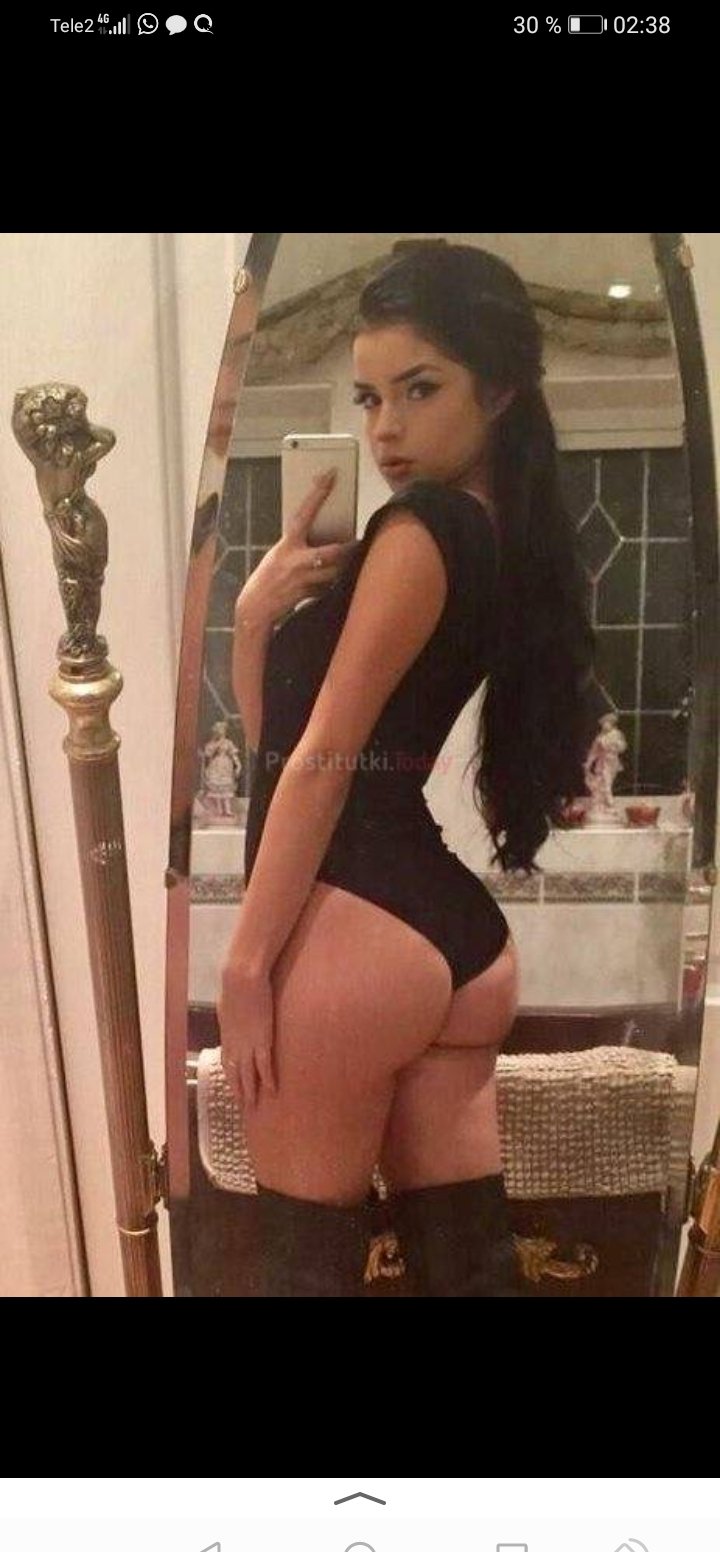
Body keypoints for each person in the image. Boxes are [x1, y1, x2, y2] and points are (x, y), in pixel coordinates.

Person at [218, 242, 596, 1297]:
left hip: (359, 933)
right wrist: (254, 620)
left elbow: (323, 763)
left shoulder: (421, 527)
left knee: (305, 1273)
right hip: (452, 942)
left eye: (420, 390)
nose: (385, 429)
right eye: (370, 396)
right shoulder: (498, 530)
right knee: (467, 1273)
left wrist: (245, 966)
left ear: (500, 389)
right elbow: (284, 747)